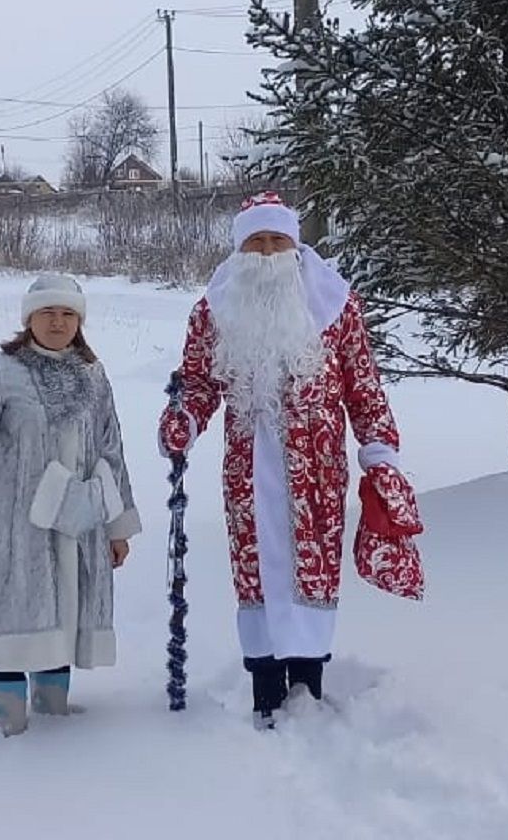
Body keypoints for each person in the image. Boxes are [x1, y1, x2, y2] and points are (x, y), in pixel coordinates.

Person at [159, 193, 424, 729]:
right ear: (240, 249)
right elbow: (200, 380)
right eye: (255, 242)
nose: (267, 252)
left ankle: (308, 688)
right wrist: (184, 418)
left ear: (295, 244)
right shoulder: (214, 309)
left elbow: (364, 387)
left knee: (312, 575)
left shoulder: (336, 304)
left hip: (317, 475)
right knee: (256, 572)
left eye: (277, 240)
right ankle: (265, 694)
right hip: (248, 471)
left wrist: (380, 453)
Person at [0, 273, 141, 736]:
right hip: (11, 530)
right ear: (29, 317)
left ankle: (54, 727)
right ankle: (9, 734)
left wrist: (117, 526)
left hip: (77, 526)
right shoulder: (0, 372)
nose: (58, 322)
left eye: (68, 314)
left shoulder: (93, 374)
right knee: (9, 626)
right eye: (48, 312)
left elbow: (111, 447)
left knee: (62, 620)